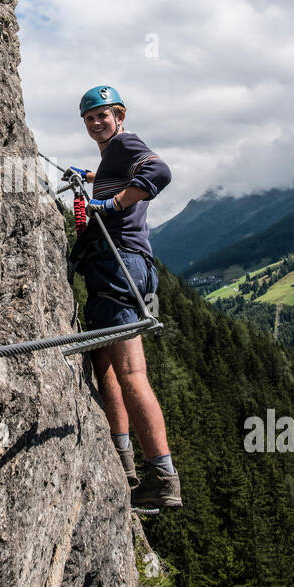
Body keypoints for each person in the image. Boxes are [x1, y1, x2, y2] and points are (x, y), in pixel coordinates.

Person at [67, 85, 181, 509]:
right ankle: (124, 460)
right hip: (119, 269)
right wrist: (93, 180)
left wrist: (112, 204)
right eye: (90, 118)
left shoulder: (125, 143)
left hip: (120, 267)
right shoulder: (112, 156)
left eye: (104, 115)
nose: (97, 122)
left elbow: (158, 173)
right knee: (107, 366)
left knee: (131, 372)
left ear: (119, 115)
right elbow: (127, 174)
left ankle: (163, 478)